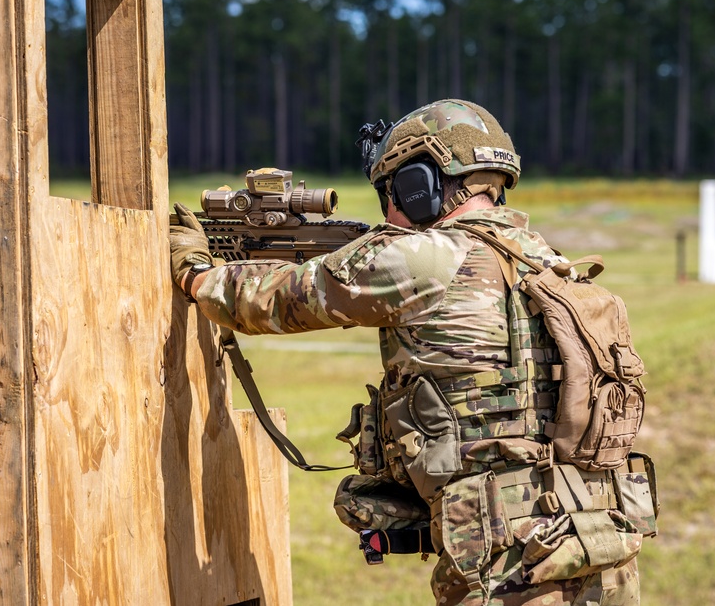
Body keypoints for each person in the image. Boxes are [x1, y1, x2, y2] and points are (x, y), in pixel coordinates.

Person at [169, 99, 642, 605]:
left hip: (514, 567)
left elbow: (275, 301)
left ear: (421, 186)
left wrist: (193, 270)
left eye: (391, 192)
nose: (390, 213)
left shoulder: (430, 257)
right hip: (597, 545)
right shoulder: (549, 262)